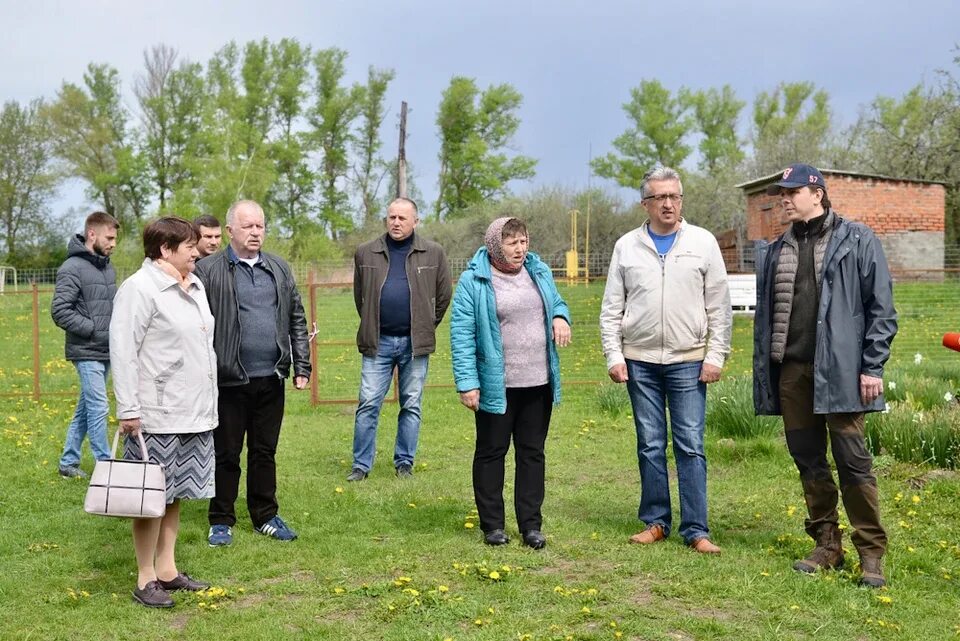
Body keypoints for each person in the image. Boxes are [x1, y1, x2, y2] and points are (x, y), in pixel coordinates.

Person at [754, 163, 897, 588]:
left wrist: (872, 365)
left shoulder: (856, 240)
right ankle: (827, 544)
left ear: (817, 193)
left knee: (853, 462)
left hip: (842, 372)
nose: (785, 198)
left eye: (793, 191)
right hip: (793, 372)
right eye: (782, 192)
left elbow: (882, 310)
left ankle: (870, 553)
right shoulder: (778, 248)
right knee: (809, 459)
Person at [600, 166, 732, 554]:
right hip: (639, 360)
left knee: (690, 443)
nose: (669, 204)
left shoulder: (703, 242)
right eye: (660, 197)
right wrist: (614, 354)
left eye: (674, 196)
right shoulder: (626, 246)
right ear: (646, 204)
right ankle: (656, 521)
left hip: (689, 360)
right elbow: (611, 307)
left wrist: (715, 355)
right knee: (650, 443)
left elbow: (719, 306)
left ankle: (697, 529)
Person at [110, 216, 217, 608]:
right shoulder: (139, 289)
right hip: (155, 412)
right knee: (150, 497)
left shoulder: (196, 285)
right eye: (189, 246)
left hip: (194, 410)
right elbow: (122, 350)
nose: (197, 251)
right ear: (165, 250)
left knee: (176, 496)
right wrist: (128, 408)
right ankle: (145, 577)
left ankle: (167, 570)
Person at [194, 200, 310, 546]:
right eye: (248, 226)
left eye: (260, 226)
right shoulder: (209, 271)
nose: (256, 232)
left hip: (270, 377)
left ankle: (265, 515)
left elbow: (296, 318)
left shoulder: (278, 267)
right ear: (230, 231)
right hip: (229, 378)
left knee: (264, 451)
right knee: (226, 453)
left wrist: (301, 365)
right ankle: (221, 519)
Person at [451, 217, 571, 549]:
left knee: (532, 453)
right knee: (492, 451)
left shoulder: (539, 271)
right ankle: (493, 526)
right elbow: (461, 335)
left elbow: (556, 302)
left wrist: (560, 316)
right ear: (495, 246)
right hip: (496, 385)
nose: (520, 249)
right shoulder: (474, 280)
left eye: (523, 241)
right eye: (512, 243)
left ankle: (531, 525)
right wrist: (467, 382)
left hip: (538, 382)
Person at [347, 197, 451, 481]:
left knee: (412, 404)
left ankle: (404, 462)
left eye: (402, 218)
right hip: (377, 342)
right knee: (368, 403)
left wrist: (425, 324)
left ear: (415, 221)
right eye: (391, 217)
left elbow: (442, 297)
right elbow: (361, 297)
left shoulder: (434, 253)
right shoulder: (366, 252)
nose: (395, 222)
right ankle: (361, 465)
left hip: (414, 344)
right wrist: (372, 320)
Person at [51, 211, 119, 478]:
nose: (114, 243)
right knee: (99, 406)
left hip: (106, 350)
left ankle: (68, 462)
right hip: (87, 350)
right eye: (109, 238)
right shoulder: (72, 268)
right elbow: (60, 310)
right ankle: (106, 464)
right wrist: (92, 330)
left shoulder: (107, 266)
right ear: (92, 234)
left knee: (86, 407)